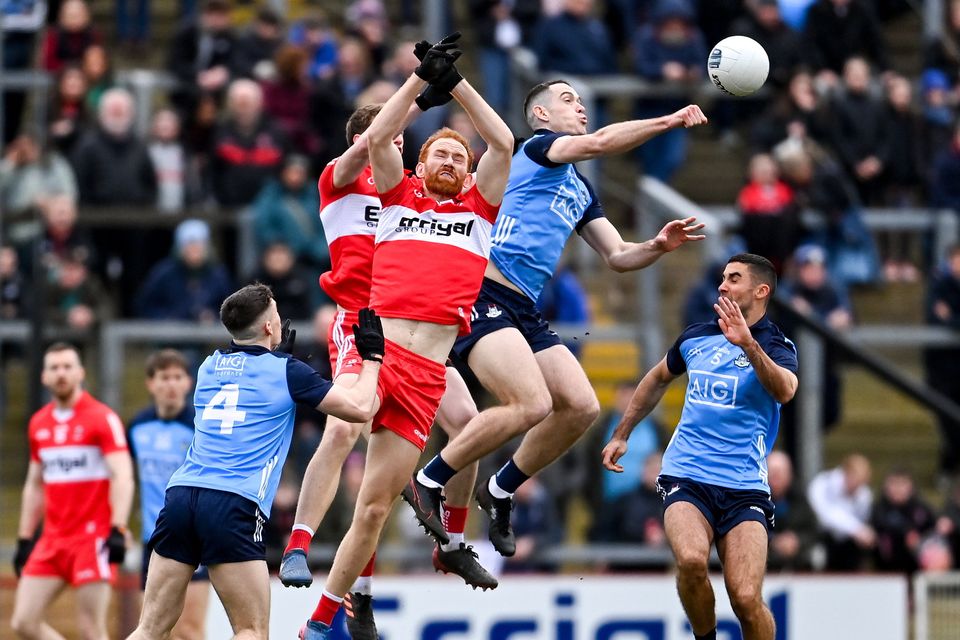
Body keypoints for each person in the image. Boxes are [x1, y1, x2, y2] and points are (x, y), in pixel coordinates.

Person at [403, 78, 706, 559]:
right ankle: (427, 479)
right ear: (541, 116)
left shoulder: (580, 188)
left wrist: (656, 245)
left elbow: (619, 254)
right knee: (529, 404)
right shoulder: (539, 148)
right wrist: (667, 121)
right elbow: (603, 142)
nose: (581, 107)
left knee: (581, 406)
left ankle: (501, 490)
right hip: (482, 288)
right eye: (569, 100)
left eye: (583, 100)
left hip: (524, 306)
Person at [299, 33, 515, 640]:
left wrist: (458, 88)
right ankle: (300, 544)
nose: (450, 162)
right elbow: (372, 140)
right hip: (379, 357)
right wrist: (421, 81)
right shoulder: (395, 199)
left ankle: (325, 619)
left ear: (470, 173)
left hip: (427, 377)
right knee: (343, 433)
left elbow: (504, 142)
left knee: (373, 507)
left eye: (459, 158)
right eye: (439, 155)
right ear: (417, 165)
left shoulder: (478, 214)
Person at [125, 283, 385, 640]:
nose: (279, 321)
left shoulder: (207, 366)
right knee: (250, 630)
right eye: (276, 316)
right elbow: (359, 408)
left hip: (181, 497)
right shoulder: (288, 372)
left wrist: (279, 361)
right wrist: (372, 361)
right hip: (233, 504)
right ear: (267, 327)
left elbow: (249, 382)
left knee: (151, 628)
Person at [601, 254, 799, 640]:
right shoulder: (697, 336)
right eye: (723, 277)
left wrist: (748, 346)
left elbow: (785, 390)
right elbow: (657, 378)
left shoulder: (777, 344)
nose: (723, 285)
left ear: (761, 291)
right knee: (691, 561)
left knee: (745, 598)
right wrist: (622, 432)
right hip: (686, 475)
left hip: (745, 487)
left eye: (734, 279)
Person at [11, 342, 135, 640]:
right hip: (52, 540)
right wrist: (25, 537)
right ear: (44, 376)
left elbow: (123, 475)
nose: (61, 374)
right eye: (54, 368)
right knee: (23, 622)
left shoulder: (101, 418)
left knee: (91, 629)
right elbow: (35, 484)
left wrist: (118, 527)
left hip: (92, 540)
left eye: (67, 367)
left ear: (80, 372)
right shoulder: (39, 423)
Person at [128, 350, 209, 640]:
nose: (171, 384)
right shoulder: (137, 427)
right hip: (152, 541)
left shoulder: (200, 427)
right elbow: (126, 480)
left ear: (189, 383)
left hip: (193, 539)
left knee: (189, 631)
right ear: (151, 384)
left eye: (178, 377)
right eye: (164, 377)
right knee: (153, 631)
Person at [807, 453, 875, 571]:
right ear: (846, 473)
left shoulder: (864, 494)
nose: (857, 488)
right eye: (855, 481)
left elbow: (863, 518)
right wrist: (856, 529)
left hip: (848, 547)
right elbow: (824, 515)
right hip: (821, 538)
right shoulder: (822, 484)